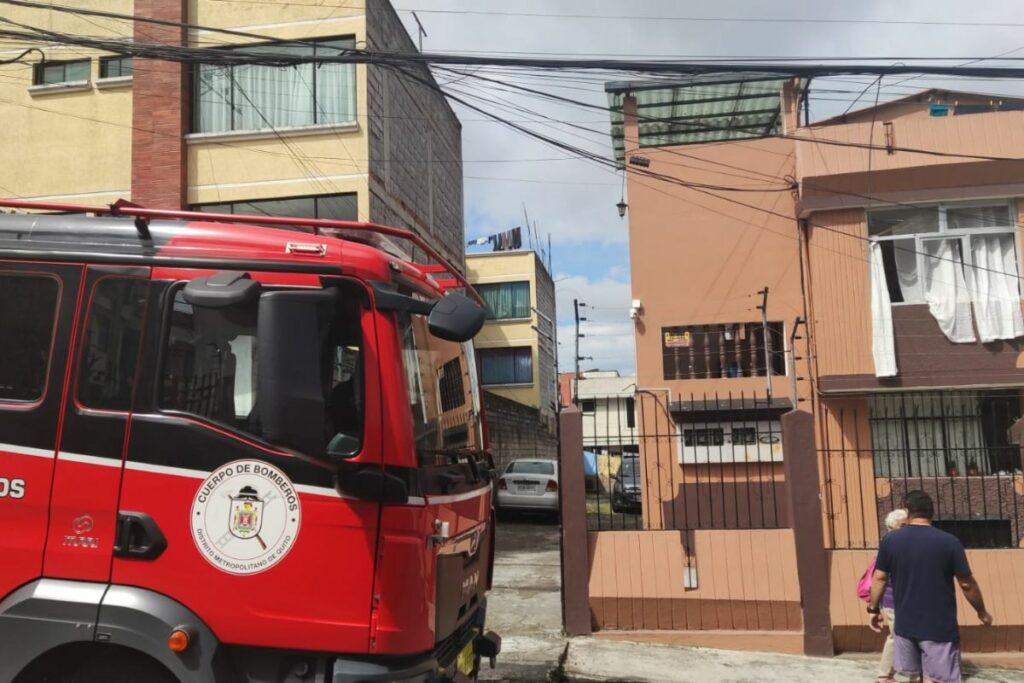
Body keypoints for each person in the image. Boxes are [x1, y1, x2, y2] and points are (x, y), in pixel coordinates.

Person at [867, 490, 993, 683]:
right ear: (931, 513)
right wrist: (981, 611)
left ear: (908, 512)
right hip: (938, 626)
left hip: (904, 626)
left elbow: (879, 578)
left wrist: (873, 609)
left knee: (909, 677)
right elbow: (966, 584)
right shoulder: (950, 542)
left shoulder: (891, 541)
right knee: (937, 679)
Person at [873, 508, 908, 683]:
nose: (907, 527)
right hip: (893, 598)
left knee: (900, 636)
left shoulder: (893, 542)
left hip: (899, 598)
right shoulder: (889, 544)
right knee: (896, 636)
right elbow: (881, 576)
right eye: (903, 524)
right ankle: (884, 675)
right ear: (893, 526)